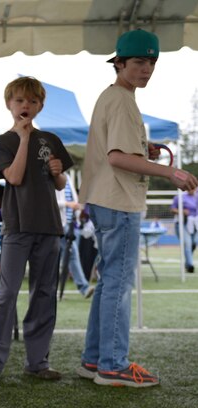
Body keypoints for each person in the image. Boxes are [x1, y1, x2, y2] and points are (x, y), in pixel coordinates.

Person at [77, 29, 198, 388]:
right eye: (140, 62)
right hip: (117, 200)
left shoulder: (115, 97)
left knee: (108, 281)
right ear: (120, 63)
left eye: (152, 62)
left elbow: (119, 152)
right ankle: (112, 365)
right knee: (117, 282)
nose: (147, 69)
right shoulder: (121, 100)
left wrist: (145, 148)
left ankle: (94, 359)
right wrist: (170, 172)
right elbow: (117, 158)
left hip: (106, 200)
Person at [0, 76, 72, 383]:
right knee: (7, 293)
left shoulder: (51, 140)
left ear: (40, 105)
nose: (26, 105)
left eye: (33, 101)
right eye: (20, 100)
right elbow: (13, 177)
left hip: (49, 226)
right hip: (17, 227)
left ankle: (38, 361)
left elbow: (60, 183)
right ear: (9, 104)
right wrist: (25, 139)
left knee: (44, 293)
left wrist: (58, 174)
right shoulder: (0, 143)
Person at [56, 175, 94, 298]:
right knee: (71, 255)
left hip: (71, 224)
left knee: (68, 257)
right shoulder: (52, 175)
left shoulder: (67, 176)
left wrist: (77, 210)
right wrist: (67, 204)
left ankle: (55, 289)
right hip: (59, 224)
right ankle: (83, 287)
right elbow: (48, 201)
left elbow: (74, 198)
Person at [170, 187, 197, 273]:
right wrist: (181, 211)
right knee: (187, 244)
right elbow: (172, 209)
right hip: (182, 223)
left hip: (195, 224)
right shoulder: (179, 197)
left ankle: (187, 263)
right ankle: (190, 266)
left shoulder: (196, 197)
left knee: (194, 242)